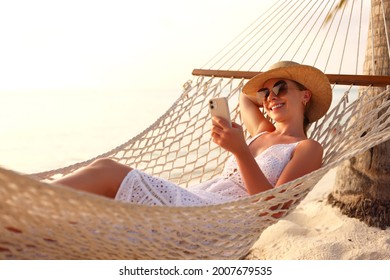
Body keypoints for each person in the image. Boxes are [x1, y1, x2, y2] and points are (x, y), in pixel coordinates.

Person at [53, 61, 332, 206]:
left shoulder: (307, 147)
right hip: (199, 197)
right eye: (266, 93)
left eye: (282, 87)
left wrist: (240, 151)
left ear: (305, 95)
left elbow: (272, 208)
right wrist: (269, 91)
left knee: (107, 170)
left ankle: (22, 203)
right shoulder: (262, 131)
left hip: (224, 216)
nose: (271, 97)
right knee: (101, 193)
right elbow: (246, 98)